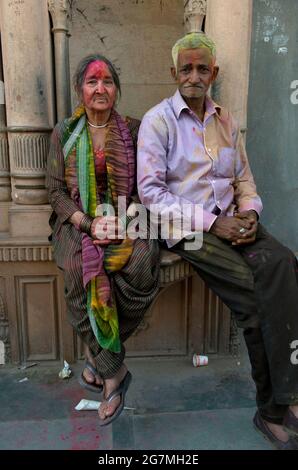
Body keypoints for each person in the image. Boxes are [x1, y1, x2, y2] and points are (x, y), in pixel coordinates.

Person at [137, 32, 298, 449]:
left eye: (202, 69)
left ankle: (289, 394)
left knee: (285, 265)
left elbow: (244, 179)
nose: (194, 76)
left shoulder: (226, 120)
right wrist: (213, 224)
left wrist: (250, 213)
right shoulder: (158, 122)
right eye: (186, 69)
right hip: (185, 231)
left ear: (214, 74)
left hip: (234, 221)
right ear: (174, 73)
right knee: (254, 296)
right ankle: (273, 409)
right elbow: (151, 195)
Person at [46, 54, 159, 426]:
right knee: (81, 270)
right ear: (81, 88)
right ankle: (114, 376)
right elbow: (56, 190)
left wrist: (123, 221)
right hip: (78, 223)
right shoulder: (64, 132)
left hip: (128, 217)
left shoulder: (136, 129)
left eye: (107, 81)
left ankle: (96, 360)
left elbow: (146, 186)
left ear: (116, 89)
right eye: (92, 81)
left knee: (142, 263)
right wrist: (88, 222)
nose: (100, 88)